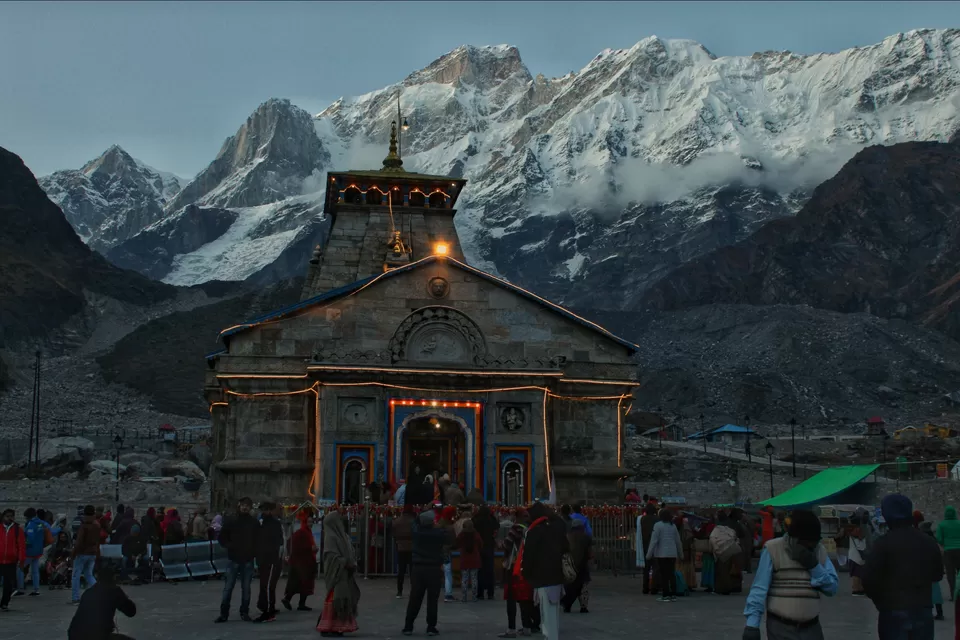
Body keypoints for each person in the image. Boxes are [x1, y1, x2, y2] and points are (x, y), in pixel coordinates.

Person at [741, 509, 838, 640]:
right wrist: (752, 625)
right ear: (793, 539)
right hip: (780, 627)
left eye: (813, 542)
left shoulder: (819, 551)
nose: (811, 546)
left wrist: (814, 567)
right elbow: (759, 589)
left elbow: (832, 588)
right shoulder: (773, 549)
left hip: (812, 629)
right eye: (806, 542)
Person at [863, 493, 943, 639]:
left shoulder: (882, 544)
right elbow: (937, 574)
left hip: (892, 610)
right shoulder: (928, 541)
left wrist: (882, 602)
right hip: (922, 608)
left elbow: (868, 581)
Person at [522, 503, 570, 640]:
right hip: (556, 575)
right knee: (552, 613)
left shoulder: (534, 532)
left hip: (541, 577)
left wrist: (526, 574)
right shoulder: (556, 529)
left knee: (546, 614)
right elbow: (566, 549)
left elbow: (528, 556)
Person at [403, 510, 447, 636]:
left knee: (415, 598)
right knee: (433, 600)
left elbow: (414, 525)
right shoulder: (438, 534)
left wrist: (421, 515)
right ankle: (431, 626)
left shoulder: (417, 533)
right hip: (434, 568)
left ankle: (408, 625)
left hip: (418, 568)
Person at [317, 511, 361, 637]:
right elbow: (331, 557)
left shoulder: (343, 536)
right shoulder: (330, 537)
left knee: (343, 598)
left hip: (344, 573)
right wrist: (344, 562)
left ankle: (336, 627)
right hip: (337, 574)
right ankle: (330, 627)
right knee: (336, 599)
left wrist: (351, 563)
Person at [215, 497, 258, 623]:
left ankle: (244, 612)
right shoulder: (231, 521)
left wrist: (253, 552)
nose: (245, 507)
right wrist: (230, 545)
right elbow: (222, 538)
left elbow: (258, 540)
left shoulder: (253, 523)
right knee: (228, 587)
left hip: (248, 559)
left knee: (246, 588)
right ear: (239, 506)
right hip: (233, 558)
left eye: (247, 505)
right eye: (243, 505)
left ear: (250, 508)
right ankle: (224, 614)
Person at [499, 509, 540, 638]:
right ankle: (527, 626)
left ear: (515, 516)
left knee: (511, 597)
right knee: (524, 598)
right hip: (526, 567)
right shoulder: (530, 530)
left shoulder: (515, 529)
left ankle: (511, 628)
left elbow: (507, 545)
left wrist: (501, 545)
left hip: (513, 567)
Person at [67, 565, 136, 640]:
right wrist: (123, 596)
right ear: (113, 577)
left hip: (74, 635)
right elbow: (131, 612)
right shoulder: (114, 591)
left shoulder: (88, 591)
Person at [282, 510, 318, 611]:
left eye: (311, 522)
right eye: (309, 522)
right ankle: (292, 600)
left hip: (306, 562)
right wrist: (310, 548)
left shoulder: (306, 532)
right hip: (301, 563)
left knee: (302, 583)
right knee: (300, 583)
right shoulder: (301, 533)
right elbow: (295, 545)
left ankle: (299, 603)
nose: (310, 524)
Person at [255, 501, 284, 622]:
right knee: (264, 584)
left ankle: (268, 609)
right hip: (263, 557)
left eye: (266, 509)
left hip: (271, 557)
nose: (264, 512)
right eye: (263, 510)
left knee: (267, 585)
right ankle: (266, 607)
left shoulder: (274, 524)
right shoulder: (260, 524)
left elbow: (280, 541)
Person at [646, 508, 683, 602]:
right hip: (672, 553)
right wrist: (681, 554)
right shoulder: (673, 526)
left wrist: (649, 554)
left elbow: (654, 541)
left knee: (664, 575)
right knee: (671, 574)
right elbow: (678, 541)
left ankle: (665, 594)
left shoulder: (658, 526)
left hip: (661, 554)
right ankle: (673, 594)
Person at [561, 518, 592, 613]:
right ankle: (583, 606)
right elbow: (590, 553)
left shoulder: (566, 537)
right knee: (583, 587)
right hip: (582, 565)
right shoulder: (586, 537)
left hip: (569, 566)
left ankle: (567, 605)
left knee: (569, 586)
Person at [72, 505, 101, 605]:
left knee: (76, 575)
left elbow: (79, 542)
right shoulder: (97, 525)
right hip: (92, 553)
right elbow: (98, 541)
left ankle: (75, 598)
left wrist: (73, 553)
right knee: (89, 574)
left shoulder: (84, 526)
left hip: (82, 553)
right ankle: (99, 593)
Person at [23, 507, 53, 596]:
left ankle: (20, 587)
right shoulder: (41, 524)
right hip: (39, 550)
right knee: (35, 570)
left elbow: (30, 538)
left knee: (19, 567)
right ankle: (36, 589)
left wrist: (24, 543)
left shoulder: (31, 524)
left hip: (30, 551)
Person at [710, 511, 742, 596]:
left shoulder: (716, 529)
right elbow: (736, 537)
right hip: (733, 549)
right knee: (732, 569)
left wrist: (716, 550)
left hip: (722, 551)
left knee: (722, 571)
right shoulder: (729, 528)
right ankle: (734, 587)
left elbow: (712, 539)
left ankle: (722, 589)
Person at [473, 504, 500, 600]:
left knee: (480, 570)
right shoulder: (491, 520)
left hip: (479, 547)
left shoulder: (476, 520)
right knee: (489, 570)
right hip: (489, 546)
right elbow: (497, 527)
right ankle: (490, 592)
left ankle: (480, 593)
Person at [919, 521, 945, 620]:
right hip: (934, 570)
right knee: (936, 593)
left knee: (926, 593)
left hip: (926, 571)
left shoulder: (922, 541)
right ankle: (939, 612)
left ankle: (928, 613)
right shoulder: (933, 540)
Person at [0, 508, 25, 611]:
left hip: (11, 561)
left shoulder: (17, 529)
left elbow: (21, 545)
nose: (10, 518)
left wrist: (21, 559)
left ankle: (4, 603)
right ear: (3, 517)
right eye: (7, 516)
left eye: (11, 516)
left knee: (8, 584)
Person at [937, 505, 960, 601]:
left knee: (950, 574)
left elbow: (939, 539)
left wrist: (945, 544)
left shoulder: (941, 525)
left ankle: (953, 595)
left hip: (948, 551)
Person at [456, 519, 483, 602]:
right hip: (475, 559)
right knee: (474, 579)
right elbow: (481, 545)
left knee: (464, 579)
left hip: (464, 559)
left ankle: (464, 597)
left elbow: (457, 543)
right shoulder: (476, 535)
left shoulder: (461, 535)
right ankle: (474, 597)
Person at [393, 504, 416, 598]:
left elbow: (394, 534)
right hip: (412, 548)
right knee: (412, 571)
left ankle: (399, 591)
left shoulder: (397, 521)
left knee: (401, 571)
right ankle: (413, 590)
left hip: (401, 548)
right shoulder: (414, 522)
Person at [437, 506, 457, 602]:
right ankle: (448, 594)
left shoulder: (438, 524)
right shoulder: (450, 528)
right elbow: (454, 542)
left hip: (437, 551)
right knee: (448, 572)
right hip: (446, 551)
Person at [639, 503, 658, 594]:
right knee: (655, 567)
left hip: (645, 544)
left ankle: (645, 587)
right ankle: (654, 587)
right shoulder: (657, 519)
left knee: (646, 568)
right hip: (655, 546)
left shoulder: (643, 519)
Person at [848, 517, 868, 596]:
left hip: (855, 556)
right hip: (856, 557)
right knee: (856, 574)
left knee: (858, 574)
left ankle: (859, 588)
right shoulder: (857, 531)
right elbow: (861, 546)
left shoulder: (851, 531)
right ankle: (856, 589)